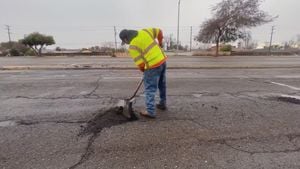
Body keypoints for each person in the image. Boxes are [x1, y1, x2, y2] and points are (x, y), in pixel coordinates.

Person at [119, 28, 167, 118]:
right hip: (162, 61)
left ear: (126, 39)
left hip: (152, 66)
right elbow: (160, 31)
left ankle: (150, 112)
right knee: (162, 84)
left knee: (150, 89)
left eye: (125, 42)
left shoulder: (132, 46)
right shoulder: (145, 31)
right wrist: (160, 43)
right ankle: (162, 103)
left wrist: (145, 72)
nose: (126, 43)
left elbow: (141, 64)